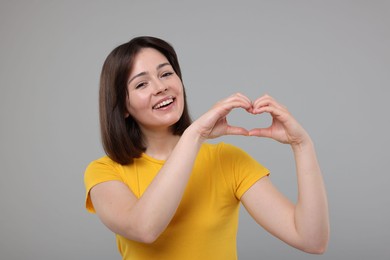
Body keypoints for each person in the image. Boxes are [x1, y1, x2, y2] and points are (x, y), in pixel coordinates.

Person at [84, 36, 329, 259]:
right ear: (124, 107)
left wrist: (302, 145)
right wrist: (195, 135)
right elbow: (145, 228)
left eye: (166, 74)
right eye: (141, 85)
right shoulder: (105, 172)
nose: (160, 87)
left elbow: (311, 240)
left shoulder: (227, 160)